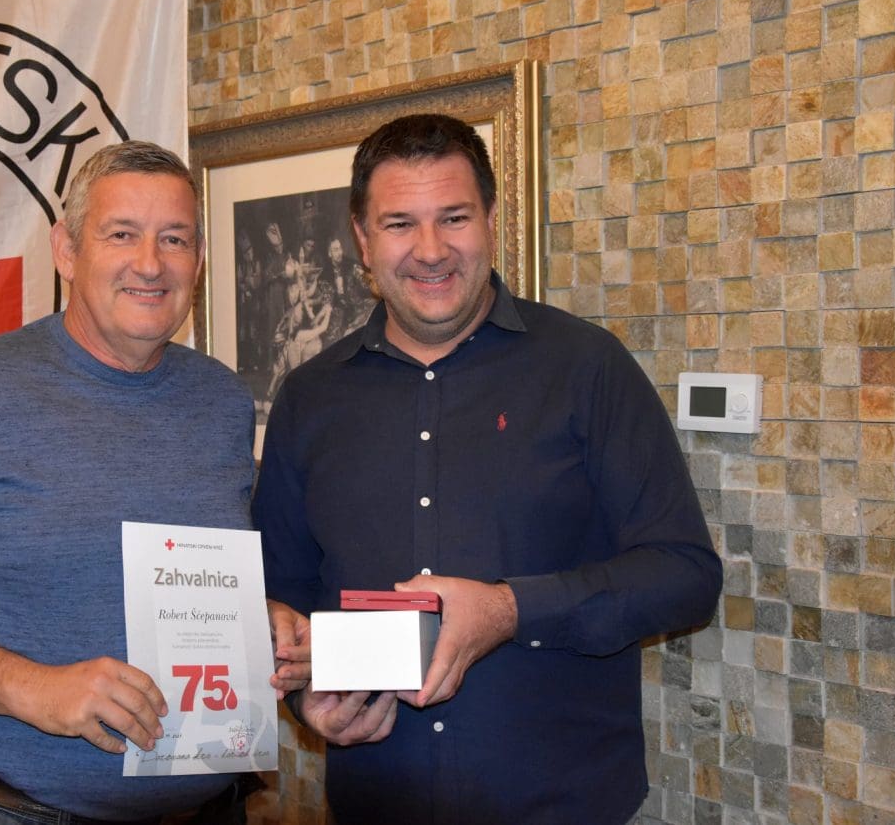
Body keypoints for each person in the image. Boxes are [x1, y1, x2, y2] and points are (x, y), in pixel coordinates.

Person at [254, 114, 723, 824]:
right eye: (400, 224)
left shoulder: (587, 368)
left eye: (454, 217)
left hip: (561, 808)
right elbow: (280, 595)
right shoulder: (308, 398)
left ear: (492, 221)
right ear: (363, 240)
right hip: (377, 803)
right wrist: (305, 697)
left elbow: (685, 576)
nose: (431, 249)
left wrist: (509, 611)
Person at [0, 141, 263, 825]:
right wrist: (33, 687)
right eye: (122, 234)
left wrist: (265, 623)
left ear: (198, 261)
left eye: (174, 239)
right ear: (66, 250)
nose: (151, 264)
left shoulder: (224, 403)